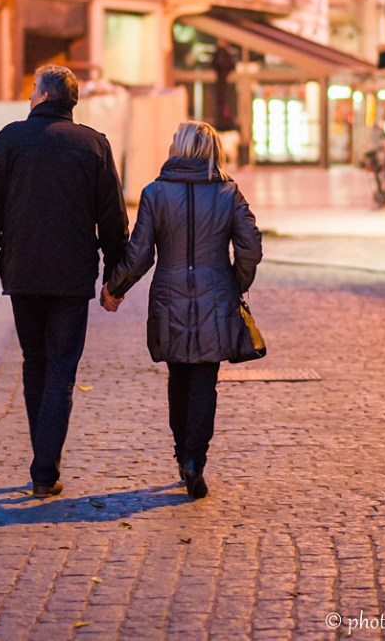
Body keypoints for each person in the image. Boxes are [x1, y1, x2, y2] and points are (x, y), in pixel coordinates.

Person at [0, 64, 129, 499]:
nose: (28, 98)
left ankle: (43, 464)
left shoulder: (10, 140)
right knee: (61, 369)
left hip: (22, 273)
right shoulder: (93, 145)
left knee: (34, 362)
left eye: (32, 91)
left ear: (42, 96)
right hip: (72, 277)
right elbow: (112, 219)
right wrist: (115, 280)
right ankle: (44, 469)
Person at [101, 120, 262, 499]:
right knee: (205, 379)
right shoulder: (228, 193)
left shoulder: (155, 193)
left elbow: (140, 254)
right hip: (215, 297)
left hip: (169, 297)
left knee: (178, 377)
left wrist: (114, 288)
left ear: (181, 148)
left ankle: (181, 455)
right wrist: (235, 283)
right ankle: (195, 460)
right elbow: (251, 247)